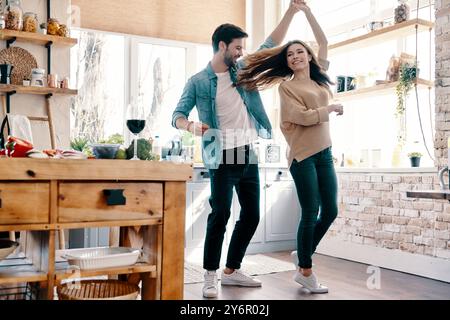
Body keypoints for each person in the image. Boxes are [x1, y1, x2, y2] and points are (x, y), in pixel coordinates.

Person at [172, 1, 303, 299]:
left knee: (252, 215)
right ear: (222, 46)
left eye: (243, 48)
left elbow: (271, 44)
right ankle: (210, 276)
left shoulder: (242, 68)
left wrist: (292, 11)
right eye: (237, 47)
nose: (242, 52)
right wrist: (190, 126)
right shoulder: (198, 82)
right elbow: (176, 114)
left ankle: (231, 270)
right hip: (222, 155)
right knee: (219, 214)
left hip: (247, 152)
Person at [237, 2, 343, 293]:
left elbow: (323, 41)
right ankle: (305, 271)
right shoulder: (287, 86)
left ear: (309, 55)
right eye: (290, 54)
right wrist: (329, 109)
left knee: (330, 210)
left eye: (300, 51)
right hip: (302, 156)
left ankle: (302, 251)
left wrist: (306, 12)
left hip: (325, 153)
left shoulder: (320, 76)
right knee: (311, 210)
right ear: (287, 61)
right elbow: (300, 117)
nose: (295, 56)